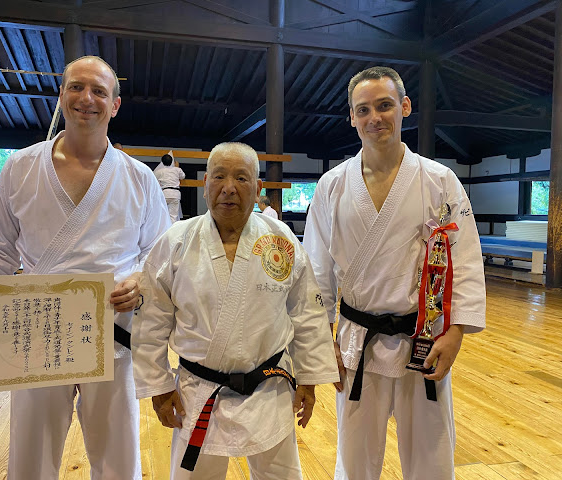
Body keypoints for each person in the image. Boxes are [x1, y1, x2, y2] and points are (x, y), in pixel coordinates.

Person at [0, 55, 171, 480]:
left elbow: (160, 253)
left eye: (99, 91)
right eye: (76, 87)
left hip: (113, 331)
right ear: (60, 95)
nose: (86, 98)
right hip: (36, 329)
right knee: (30, 458)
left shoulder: (138, 178)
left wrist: (139, 281)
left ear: (115, 105)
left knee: (118, 458)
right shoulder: (21, 166)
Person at [303, 66, 486, 480]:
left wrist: (456, 332)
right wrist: (321, 340)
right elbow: (316, 271)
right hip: (356, 341)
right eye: (363, 109)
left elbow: (466, 260)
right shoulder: (332, 185)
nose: (375, 117)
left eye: (384, 105)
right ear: (352, 117)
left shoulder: (440, 180)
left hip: (424, 339)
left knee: (431, 457)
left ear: (404, 107)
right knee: (355, 459)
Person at [132, 142, 339, 479]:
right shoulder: (175, 242)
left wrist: (309, 378)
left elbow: (306, 313)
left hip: (269, 391)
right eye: (219, 177)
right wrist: (158, 386)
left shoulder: (280, 239)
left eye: (241, 178)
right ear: (205, 184)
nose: (229, 187)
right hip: (197, 394)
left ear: (257, 189)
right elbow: (150, 321)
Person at [154, 152, 186, 223]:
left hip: (164, 193)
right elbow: (183, 176)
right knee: (173, 216)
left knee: (161, 214)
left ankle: (162, 228)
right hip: (175, 194)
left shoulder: (158, 172)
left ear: (162, 162)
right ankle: (172, 229)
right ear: (172, 162)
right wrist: (177, 167)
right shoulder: (177, 170)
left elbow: (155, 181)